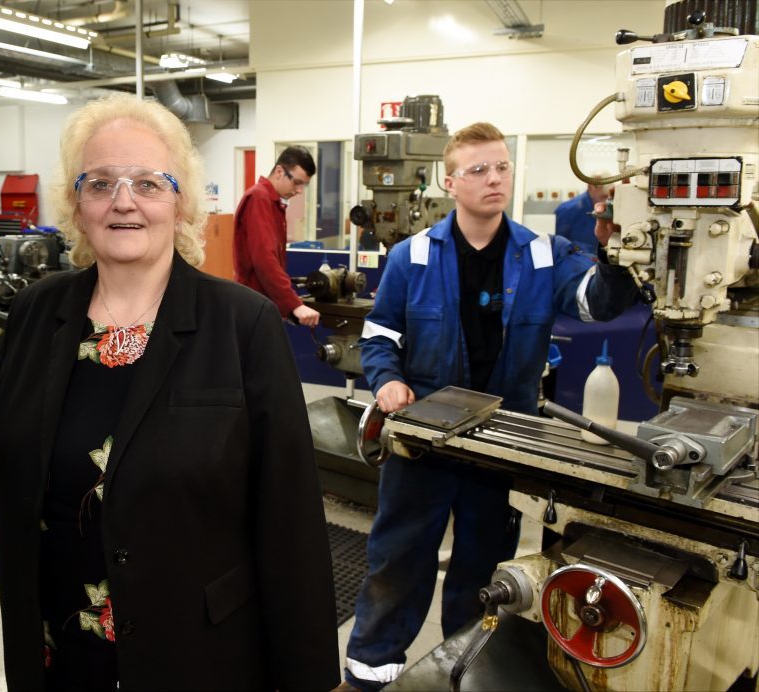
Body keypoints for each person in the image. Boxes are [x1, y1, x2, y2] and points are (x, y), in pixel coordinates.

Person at [0, 93, 340, 691]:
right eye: (100, 183)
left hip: (193, 651)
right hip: (57, 646)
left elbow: (290, 518)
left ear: (181, 202)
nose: (123, 201)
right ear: (76, 204)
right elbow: (4, 454)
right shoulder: (39, 310)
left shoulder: (242, 323)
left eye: (149, 182)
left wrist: (308, 676)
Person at [339, 123, 639, 691]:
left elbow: (597, 303)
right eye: (478, 170)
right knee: (398, 562)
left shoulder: (546, 256)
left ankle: (467, 674)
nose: (494, 178)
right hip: (422, 439)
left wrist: (616, 249)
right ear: (450, 182)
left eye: (501, 167)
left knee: (484, 573)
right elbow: (380, 336)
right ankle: (369, 676)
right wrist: (386, 382)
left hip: (502, 441)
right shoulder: (412, 257)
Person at [234, 145, 322, 327]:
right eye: (297, 182)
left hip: (263, 304)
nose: (299, 190)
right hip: (252, 305)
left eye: (303, 185)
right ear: (280, 171)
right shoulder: (259, 198)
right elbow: (265, 259)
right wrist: (294, 304)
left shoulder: (274, 203)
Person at [554, 176, 612, 256]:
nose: (605, 201)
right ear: (591, 187)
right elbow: (558, 245)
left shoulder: (604, 208)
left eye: (608, 197)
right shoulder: (568, 210)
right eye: (604, 197)